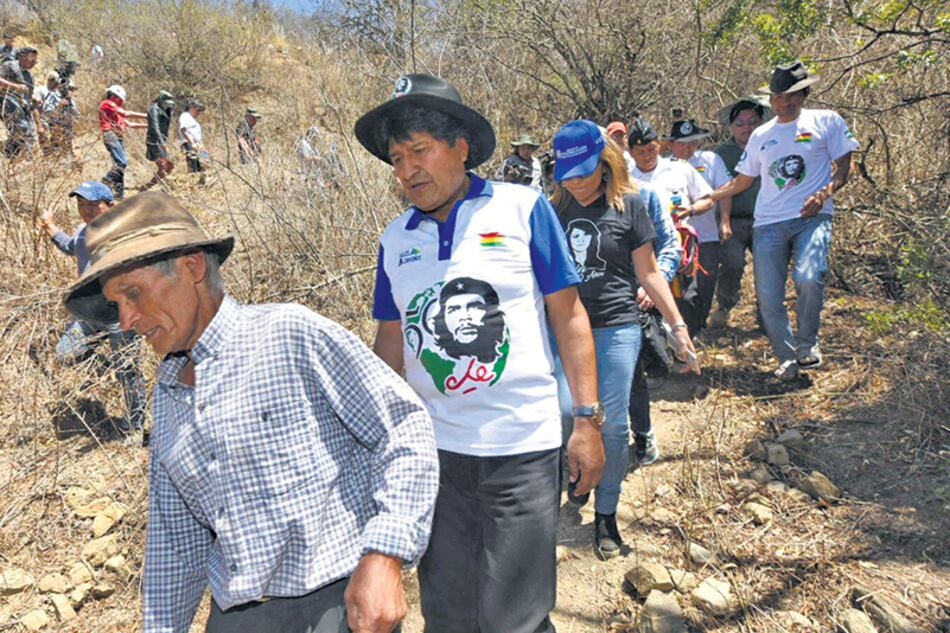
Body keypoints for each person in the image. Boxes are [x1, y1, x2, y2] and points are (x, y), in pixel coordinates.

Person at [63, 191, 440, 633]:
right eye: (116, 305)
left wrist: (385, 555)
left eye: (133, 294)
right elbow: (175, 543)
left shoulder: (289, 334)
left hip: (335, 607)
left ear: (191, 266)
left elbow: (404, 428)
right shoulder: (169, 390)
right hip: (238, 615)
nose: (126, 319)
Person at [356, 74, 604, 633]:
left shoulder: (522, 209)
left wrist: (587, 420)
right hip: (434, 454)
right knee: (447, 610)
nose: (407, 170)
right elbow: (390, 341)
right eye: (396, 158)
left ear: (461, 147)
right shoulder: (395, 239)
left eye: (420, 150)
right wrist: (372, 432)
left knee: (514, 613)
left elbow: (569, 316)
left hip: (521, 445)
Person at [551, 120, 698, 557]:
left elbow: (649, 272)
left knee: (612, 425)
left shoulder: (630, 203)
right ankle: (579, 477)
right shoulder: (552, 208)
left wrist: (678, 329)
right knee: (567, 412)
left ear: (604, 161)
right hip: (564, 327)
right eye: (566, 173)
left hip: (617, 324)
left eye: (582, 170)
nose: (574, 181)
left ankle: (606, 516)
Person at [708, 60, 858, 380]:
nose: (785, 102)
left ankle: (807, 345)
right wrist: (708, 198)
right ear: (771, 99)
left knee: (809, 275)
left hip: (811, 217)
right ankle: (787, 357)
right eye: (778, 96)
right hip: (769, 224)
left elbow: (845, 166)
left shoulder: (827, 122)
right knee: (768, 295)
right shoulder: (762, 134)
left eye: (792, 95)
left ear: (805, 93)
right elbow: (742, 181)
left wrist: (825, 192)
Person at [38, 181, 147, 432]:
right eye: (81, 204)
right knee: (66, 352)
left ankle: (135, 426)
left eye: (92, 204)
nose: (85, 210)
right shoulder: (84, 229)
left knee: (128, 369)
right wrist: (49, 225)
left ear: (110, 205)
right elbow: (70, 247)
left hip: (121, 313)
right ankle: (110, 370)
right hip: (89, 311)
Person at [627, 117, 714, 341]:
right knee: (648, 299)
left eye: (651, 149)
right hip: (643, 248)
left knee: (687, 298)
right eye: (640, 152)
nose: (647, 156)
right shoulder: (626, 178)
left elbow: (708, 199)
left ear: (660, 144)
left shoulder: (680, 169)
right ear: (631, 152)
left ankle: (687, 343)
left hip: (680, 246)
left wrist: (691, 209)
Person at [666, 119, 732, 339]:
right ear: (671, 144)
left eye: (692, 142)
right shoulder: (661, 167)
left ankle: (699, 325)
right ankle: (683, 330)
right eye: (682, 143)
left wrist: (724, 220)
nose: (687, 148)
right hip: (674, 239)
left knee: (705, 283)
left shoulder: (711, 160)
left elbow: (724, 191)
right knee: (681, 288)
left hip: (706, 235)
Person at [709, 96, 770, 328]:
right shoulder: (722, 153)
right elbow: (719, 187)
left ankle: (767, 313)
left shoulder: (771, 146)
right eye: (740, 123)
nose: (746, 128)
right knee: (732, 265)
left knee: (768, 267)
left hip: (766, 219)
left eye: (752, 122)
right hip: (732, 220)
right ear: (731, 127)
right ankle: (724, 306)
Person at [99, 84, 147, 199]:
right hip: (110, 134)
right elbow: (126, 114)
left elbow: (131, 124)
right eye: (120, 99)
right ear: (115, 96)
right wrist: (147, 115)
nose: (121, 102)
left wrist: (148, 125)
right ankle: (106, 180)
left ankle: (119, 193)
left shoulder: (115, 114)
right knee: (122, 162)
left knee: (119, 164)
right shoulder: (107, 103)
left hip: (118, 137)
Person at [0, 46, 38, 159]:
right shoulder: (10, 66)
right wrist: (15, 86)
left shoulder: (30, 76)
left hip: (23, 105)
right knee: (22, 127)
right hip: (7, 100)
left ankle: (11, 155)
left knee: (30, 133)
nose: (34, 63)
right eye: (32, 59)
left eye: (35, 60)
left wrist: (34, 98)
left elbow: (28, 94)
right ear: (23, 56)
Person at [140, 90, 175, 190]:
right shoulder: (153, 109)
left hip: (160, 141)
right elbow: (154, 127)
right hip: (154, 141)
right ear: (161, 100)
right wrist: (161, 142)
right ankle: (147, 187)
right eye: (166, 103)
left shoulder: (165, 110)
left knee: (168, 166)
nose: (167, 105)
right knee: (165, 166)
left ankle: (155, 187)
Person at [41, 77, 80, 161]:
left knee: (67, 149)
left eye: (72, 89)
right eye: (70, 89)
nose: (71, 92)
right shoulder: (52, 96)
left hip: (68, 127)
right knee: (56, 149)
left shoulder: (70, 100)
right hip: (55, 128)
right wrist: (59, 106)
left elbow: (77, 115)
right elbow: (47, 113)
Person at [179, 98, 206, 173]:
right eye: (197, 110)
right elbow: (183, 130)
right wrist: (192, 143)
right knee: (193, 168)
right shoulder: (185, 116)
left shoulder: (193, 119)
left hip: (198, 144)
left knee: (204, 166)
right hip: (189, 144)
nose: (199, 112)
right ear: (191, 108)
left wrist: (202, 147)